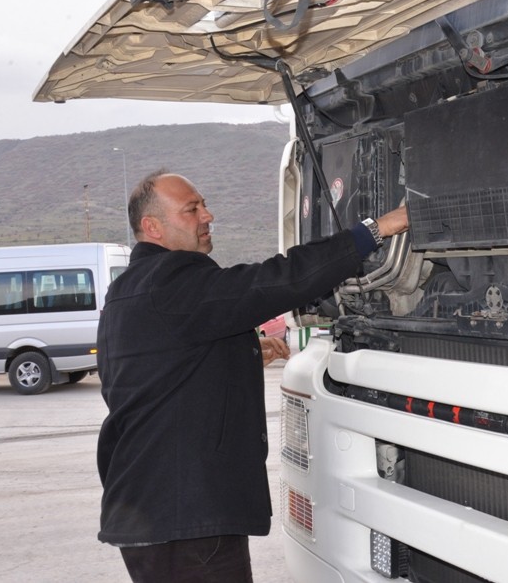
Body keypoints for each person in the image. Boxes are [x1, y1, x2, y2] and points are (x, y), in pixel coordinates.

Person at [96, 170, 409, 582]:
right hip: (184, 518)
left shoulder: (128, 292)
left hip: (150, 509)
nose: (207, 215)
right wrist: (377, 230)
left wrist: (236, 351)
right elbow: (276, 281)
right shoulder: (173, 280)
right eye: (192, 209)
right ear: (152, 227)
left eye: (204, 204)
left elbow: (155, 371)